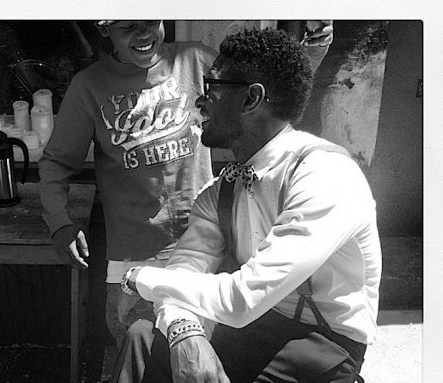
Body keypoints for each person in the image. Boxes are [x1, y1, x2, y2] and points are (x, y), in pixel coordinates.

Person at [77, 26, 381, 383]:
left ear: (251, 98)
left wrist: (138, 277)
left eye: (211, 88)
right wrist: (186, 332)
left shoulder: (325, 176)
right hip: (256, 332)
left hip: (319, 352)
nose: (198, 102)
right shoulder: (222, 189)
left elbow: (241, 299)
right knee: (143, 342)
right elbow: (186, 267)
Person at [38, 20, 334, 347]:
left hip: (208, 245)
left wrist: (313, 47)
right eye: (128, 27)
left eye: (151, 21)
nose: (143, 33)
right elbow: (57, 161)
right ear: (104, 28)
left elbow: (267, 92)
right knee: (139, 347)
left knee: (209, 351)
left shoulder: (194, 59)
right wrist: (59, 221)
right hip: (134, 255)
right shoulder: (89, 86)